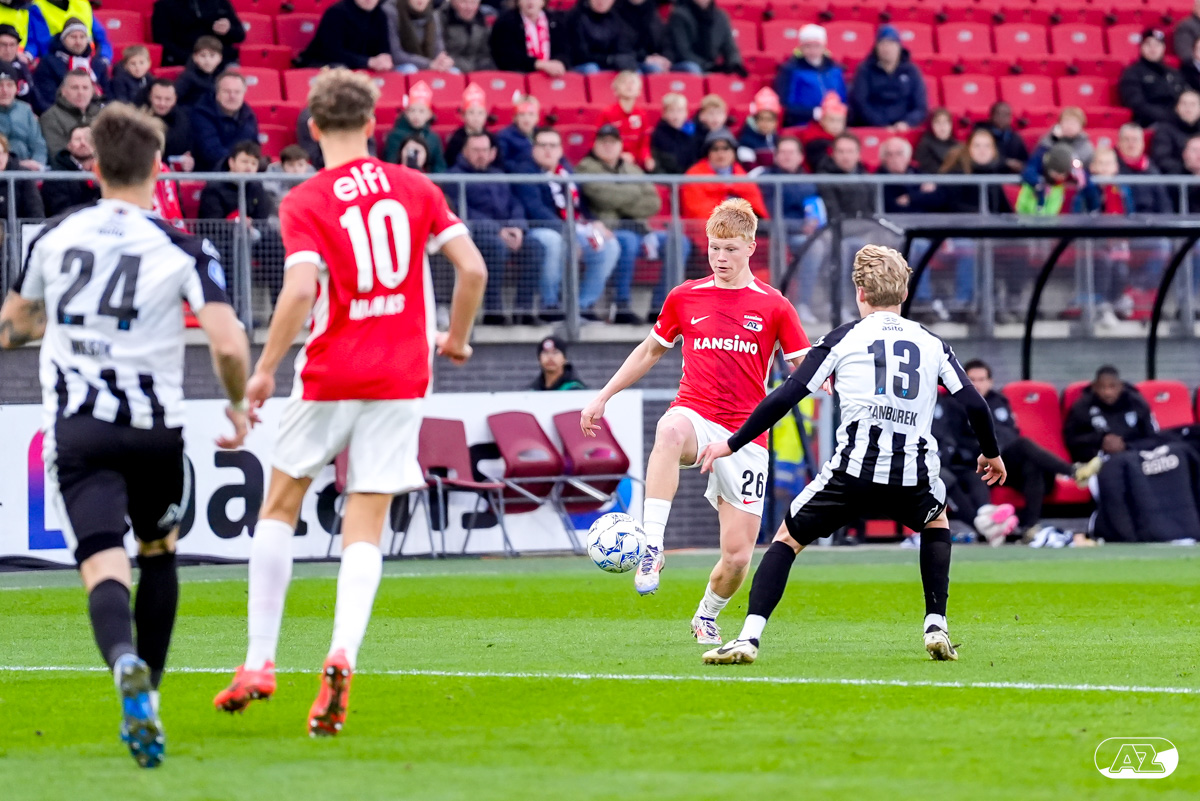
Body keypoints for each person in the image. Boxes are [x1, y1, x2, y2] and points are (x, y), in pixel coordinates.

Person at [212, 69, 487, 736]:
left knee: (281, 504)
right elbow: (473, 268)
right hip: (402, 374)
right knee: (366, 518)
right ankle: (342, 654)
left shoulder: (306, 198)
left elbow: (300, 290)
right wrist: (455, 338)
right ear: (372, 124)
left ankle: (259, 661)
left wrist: (264, 369)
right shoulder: (416, 186)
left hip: (330, 371)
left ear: (312, 127)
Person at [0, 102, 251, 767]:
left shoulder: (54, 235)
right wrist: (238, 404)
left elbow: (13, 326)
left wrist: (57, 324)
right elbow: (228, 342)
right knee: (160, 553)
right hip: (153, 432)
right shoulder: (183, 245)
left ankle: (122, 663)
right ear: (157, 166)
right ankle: (152, 697)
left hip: (79, 431)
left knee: (101, 563)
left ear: (96, 167)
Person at [696, 245, 1006, 666]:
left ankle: (749, 637)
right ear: (905, 292)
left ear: (860, 292)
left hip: (852, 471)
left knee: (786, 540)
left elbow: (786, 396)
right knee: (936, 522)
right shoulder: (932, 342)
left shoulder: (843, 338)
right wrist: (991, 453)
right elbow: (975, 405)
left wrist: (731, 443)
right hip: (911, 473)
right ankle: (936, 625)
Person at [580, 198, 810, 643]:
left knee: (738, 558)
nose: (720, 258)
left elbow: (805, 365)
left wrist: (833, 382)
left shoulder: (775, 306)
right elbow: (649, 351)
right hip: (696, 412)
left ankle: (706, 614)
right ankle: (652, 545)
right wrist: (603, 396)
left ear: (750, 247)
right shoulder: (685, 296)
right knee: (668, 430)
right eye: (713, 248)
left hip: (746, 434)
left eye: (730, 249)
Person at [947, 360, 1100, 542]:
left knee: (1031, 465)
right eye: (972, 380)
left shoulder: (998, 401)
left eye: (981, 379)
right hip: (976, 465)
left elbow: (1009, 433)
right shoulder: (954, 404)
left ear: (990, 382)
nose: (977, 384)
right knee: (1023, 444)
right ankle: (1073, 471)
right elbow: (957, 441)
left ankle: (1030, 527)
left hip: (1003, 461)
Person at [514, 125, 621, 321]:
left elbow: (580, 205)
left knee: (609, 245)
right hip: (540, 229)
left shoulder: (566, 171)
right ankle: (550, 305)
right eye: (543, 145)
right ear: (533, 149)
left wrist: (594, 223)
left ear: (560, 149)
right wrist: (569, 233)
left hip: (575, 227)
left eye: (553, 145)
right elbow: (535, 209)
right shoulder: (525, 171)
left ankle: (583, 305)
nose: (548, 150)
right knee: (553, 241)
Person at [446, 130, 543, 324]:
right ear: (465, 151)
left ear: (492, 153)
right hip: (476, 234)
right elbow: (462, 211)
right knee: (495, 247)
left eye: (484, 150)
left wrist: (517, 227)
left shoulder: (499, 175)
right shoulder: (453, 177)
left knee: (535, 246)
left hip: (506, 230)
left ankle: (523, 310)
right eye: (475, 150)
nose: (481, 155)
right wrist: (498, 230)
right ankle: (493, 310)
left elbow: (515, 204)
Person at [576, 123, 663, 324]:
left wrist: (618, 197)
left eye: (613, 142)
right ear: (595, 144)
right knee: (628, 241)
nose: (608, 146)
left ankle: (660, 307)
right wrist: (635, 192)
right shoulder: (586, 167)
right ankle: (621, 304)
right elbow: (603, 198)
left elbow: (653, 202)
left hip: (641, 228)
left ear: (621, 145)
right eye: (603, 142)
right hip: (610, 229)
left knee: (678, 242)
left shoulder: (632, 169)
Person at [199, 139, 285, 299]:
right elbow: (212, 222)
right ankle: (232, 306)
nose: (249, 167)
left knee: (275, 246)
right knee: (228, 253)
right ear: (231, 162)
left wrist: (252, 228)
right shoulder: (214, 187)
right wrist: (236, 225)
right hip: (224, 240)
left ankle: (280, 304)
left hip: (252, 237)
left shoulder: (257, 187)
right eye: (244, 161)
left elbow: (263, 217)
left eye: (253, 163)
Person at [760, 136, 825, 325]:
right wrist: (800, 226)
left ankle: (828, 303)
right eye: (783, 152)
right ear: (776, 156)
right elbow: (770, 213)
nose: (787, 156)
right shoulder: (766, 179)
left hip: (806, 232)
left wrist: (815, 224)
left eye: (791, 152)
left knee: (834, 244)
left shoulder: (808, 181)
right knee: (814, 248)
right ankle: (796, 304)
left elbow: (815, 209)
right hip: (777, 233)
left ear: (800, 157)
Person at [1063, 366, 1157, 463]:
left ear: (1120, 386)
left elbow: (1152, 438)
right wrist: (1100, 440)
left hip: (1134, 459)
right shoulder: (1082, 407)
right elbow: (1071, 440)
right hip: (1096, 462)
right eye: (1102, 387)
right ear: (1094, 387)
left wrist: (1126, 446)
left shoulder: (1137, 403)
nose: (1107, 392)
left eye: (1112, 386)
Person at [681, 128, 769, 224]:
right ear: (708, 153)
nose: (721, 154)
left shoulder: (742, 176)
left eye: (726, 148)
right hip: (709, 229)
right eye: (715, 149)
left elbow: (757, 211)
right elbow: (696, 211)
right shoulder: (694, 175)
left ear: (734, 152)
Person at [849, 25, 927, 131]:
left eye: (891, 43)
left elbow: (920, 106)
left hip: (903, 128)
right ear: (876, 47)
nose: (886, 48)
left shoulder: (911, 71)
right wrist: (882, 125)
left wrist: (907, 123)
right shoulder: (865, 70)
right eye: (882, 43)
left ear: (899, 47)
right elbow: (860, 103)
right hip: (873, 128)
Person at [31, 16, 110, 112]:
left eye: (82, 37)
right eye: (73, 37)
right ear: (63, 39)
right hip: (60, 114)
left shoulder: (98, 64)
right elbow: (46, 99)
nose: (78, 42)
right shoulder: (48, 63)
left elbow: (108, 96)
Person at [774, 23, 847, 128]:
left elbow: (843, 98)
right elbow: (785, 105)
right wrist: (814, 113)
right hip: (804, 124)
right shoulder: (790, 70)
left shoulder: (835, 69)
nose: (812, 50)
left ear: (824, 46)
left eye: (817, 46)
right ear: (801, 47)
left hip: (835, 124)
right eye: (808, 46)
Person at [190, 70, 259, 172]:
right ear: (217, 93)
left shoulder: (249, 116)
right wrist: (238, 163)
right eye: (227, 91)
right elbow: (210, 152)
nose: (232, 96)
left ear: (244, 94)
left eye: (237, 92)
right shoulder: (201, 114)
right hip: (211, 174)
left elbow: (253, 149)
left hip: (242, 173)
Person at [297, 0, 395, 72]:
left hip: (359, 67)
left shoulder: (380, 15)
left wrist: (384, 58)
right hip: (322, 64)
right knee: (340, 70)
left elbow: (383, 48)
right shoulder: (336, 12)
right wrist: (368, 62)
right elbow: (331, 52)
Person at [1119, 28, 1184, 128]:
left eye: (1157, 45)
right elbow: (1137, 104)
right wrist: (1168, 117)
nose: (1153, 49)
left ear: (1163, 48)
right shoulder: (1132, 73)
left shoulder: (1173, 73)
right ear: (1141, 47)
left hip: (1178, 121)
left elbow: (1186, 96)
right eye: (1148, 44)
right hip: (1151, 122)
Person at [151, 0, 244, 68]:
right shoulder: (165, 5)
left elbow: (240, 35)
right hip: (184, 63)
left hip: (222, 60)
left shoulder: (221, 2)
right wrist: (193, 59)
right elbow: (162, 40)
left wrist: (229, 30)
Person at [665, 0, 744, 76]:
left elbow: (730, 48)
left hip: (710, 64)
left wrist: (734, 64)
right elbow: (683, 51)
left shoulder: (721, 17)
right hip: (683, 63)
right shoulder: (679, 15)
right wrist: (708, 66)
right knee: (693, 68)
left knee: (735, 73)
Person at [489, 0, 568, 76]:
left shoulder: (556, 21)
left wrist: (560, 61)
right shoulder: (505, 22)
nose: (530, 1)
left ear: (543, 1)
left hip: (551, 75)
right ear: (518, 1)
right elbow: (506, 56)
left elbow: (564, 49)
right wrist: (538, 64)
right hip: (518, 75)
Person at [383, 80, 446, 172]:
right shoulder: (394, 136)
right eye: (412, 111)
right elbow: (390, 164)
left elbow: (439, 166)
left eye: (421, 111)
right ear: (406, 113)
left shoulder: (433, 138)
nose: (416, 115)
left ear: (429, 114)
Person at [38, 68, 101, 160]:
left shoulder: (102, 116)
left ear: (92, 91)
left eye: (85, 88)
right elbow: (56, 154)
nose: (80, 92)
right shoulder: (50, 117)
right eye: (75, 88)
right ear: (63, 91)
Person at [597, 70, 653, 169]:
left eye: (632, 82)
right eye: (624, 82)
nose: (629, 85)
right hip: (612, 164)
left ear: (639, 91)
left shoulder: (641, 114)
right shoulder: (607, 113)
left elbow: (645, 143)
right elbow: (598, 142)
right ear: (615, 90)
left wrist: (646, 158)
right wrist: (618, 155)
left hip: (636, 166)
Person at [565, 0, 638, 75]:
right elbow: (580, 55)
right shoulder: (576, 17)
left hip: (609, 64)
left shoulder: (617, 19)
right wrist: (609, 60)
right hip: (582, 65)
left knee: (634, 71)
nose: (601, 1)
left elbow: (623, 48)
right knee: (591, 68)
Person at [41, 123, 99, 214]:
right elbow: (59, 209)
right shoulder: (57, 175)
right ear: (69, 145)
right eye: (77, 139)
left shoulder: (106, 170)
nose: (83, 143)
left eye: (88, 139)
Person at [27, 0, 113, 62]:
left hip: (88, 60)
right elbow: (41, 44)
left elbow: (102, 39)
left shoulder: (82, 4)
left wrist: (104, 59)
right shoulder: (37, 7)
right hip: (57, 61)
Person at [1116, 122, 1173, 214]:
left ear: (1142, 143)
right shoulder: (1110, 166)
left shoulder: (1151, 169)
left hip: (1149, 218)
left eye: (1135, 140)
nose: (1131, 144)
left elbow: (1164, 203)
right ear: (1119, 142)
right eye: (1126, 139)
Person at [0, 62, 47, 168]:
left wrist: (37, 163)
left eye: (9, 85)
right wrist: (17, 165)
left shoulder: (25, 110)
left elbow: (38, 144)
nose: (5, 91)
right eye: (0, 85)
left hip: (28, 170)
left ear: (16, 88)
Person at [395, 0, 455, 74]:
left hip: (431, 64)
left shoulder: (433, 15)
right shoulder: (394, 12)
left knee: (454, 71)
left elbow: (439, 48)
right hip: (402, 65)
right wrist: (428, 64)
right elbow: (396, 54)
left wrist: (443, 60)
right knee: (410, 70)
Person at [146, 79, 194, 171]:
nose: (162, 103)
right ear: (150, 97)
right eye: (158, 98)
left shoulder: (184, 122)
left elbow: (188, 152)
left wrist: (188, 162)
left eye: (167, 99)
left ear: (175, 99)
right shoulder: (138, 122)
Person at [1150, 90, 1200, 174]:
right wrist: (1188, 169)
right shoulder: (1164, 130)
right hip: (1177, 177)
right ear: (1176, 108)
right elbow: (1161, 159)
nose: (1188, 108)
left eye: (1193, 104)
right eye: (1184, 104)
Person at [614, 0, 671, 73]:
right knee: (654, 70)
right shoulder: (618, 11)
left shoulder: (651, 11)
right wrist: (645, 58)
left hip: (653, 60)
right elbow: (624, 47)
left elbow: (665, 41)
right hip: (630, 60)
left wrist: (665, 58)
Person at [439, 0, 495, 73]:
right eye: (463, 2)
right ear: (453, 2)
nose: (469, 7)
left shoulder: (482, 21)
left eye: (473, 2)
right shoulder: (440, 19)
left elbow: (485, 55)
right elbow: (440, 54)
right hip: (448, 69)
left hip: (475, 71)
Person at [650, 92, 698, 174]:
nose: (676, 116)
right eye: (671, 111)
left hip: (692, 177)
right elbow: (657, 165)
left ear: (686, 113)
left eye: (680, 111)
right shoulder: (658, 135)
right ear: (664, 113)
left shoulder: (693, 133)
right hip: (668, 178)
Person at [975, 101, 1029, 174]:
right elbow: (978, 160)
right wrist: (1005, 163)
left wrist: (1020, 165)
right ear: (991, 115)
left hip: (1010, 177)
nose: (1002, 118)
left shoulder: (1016, 138)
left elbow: (1024, 159)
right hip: (985, 176)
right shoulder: (980, 135)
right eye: (999, 114)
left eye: (1007, 114)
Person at [444, 82, 490, 167]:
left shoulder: (491, 137)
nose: (476, 117)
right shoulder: (456, 138)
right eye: (471, 112)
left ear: (486, 115)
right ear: (463, 115)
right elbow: (450, 161)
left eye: (480, 113)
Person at [0, 131, 44, 218]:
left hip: (18, 226)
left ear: (7, 154)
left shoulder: (23, 176)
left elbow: (35, 213)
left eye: (0, 154)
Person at [798, 90, 847, 167]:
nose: (836, 125)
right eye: (831, 120)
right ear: (822, 121)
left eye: (839, 121)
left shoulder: (847, 140)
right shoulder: (814, 142)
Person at [736, 87, 781, 169]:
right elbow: (751, 169)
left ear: (775, 122)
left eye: (769, 119)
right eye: (761, 119)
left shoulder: (777, 139)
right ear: (755, 120)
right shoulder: (746, 141)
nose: (765, 123)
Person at [173, 36, 222, 108]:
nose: (207, 60)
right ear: (195, 58)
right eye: (203, 56)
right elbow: (174, 99)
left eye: (212, 56)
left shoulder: (221, 77)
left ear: (220, 58)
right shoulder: (187, 77)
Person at [495, 93, 540, 170]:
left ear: (537, 117)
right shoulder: (504, 136)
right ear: (515, 117)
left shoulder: (544, 135)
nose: (526, 118)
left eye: (531, 114)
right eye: (522, 114)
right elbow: (502, 163)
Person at [0, 23, 36, 108]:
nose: (8, 50)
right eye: (3, 45)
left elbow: (34, 96)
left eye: (12, 45)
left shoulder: (22, 66)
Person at [914, 107, 957, 174]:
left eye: (945, 122)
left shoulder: (958, 146)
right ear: (932, 125)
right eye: (937, 122)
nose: (942, 126)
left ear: (951, 125)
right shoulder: (925, 145)